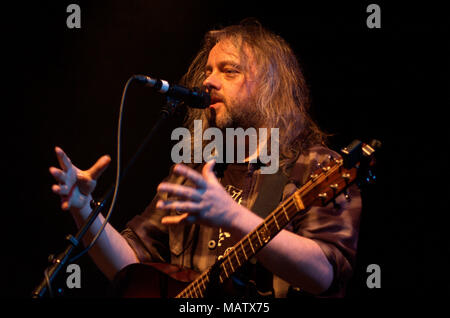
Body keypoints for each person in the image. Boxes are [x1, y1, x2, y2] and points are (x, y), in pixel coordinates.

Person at [49, 19, 362, 298]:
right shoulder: (193, 172)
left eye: (229, 71)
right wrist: (83, 208)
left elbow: (326, 275)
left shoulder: (315, 165)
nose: (209, 81)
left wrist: (232, 216)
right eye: (208, 71)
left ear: (270, 87)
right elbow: (130, 267)